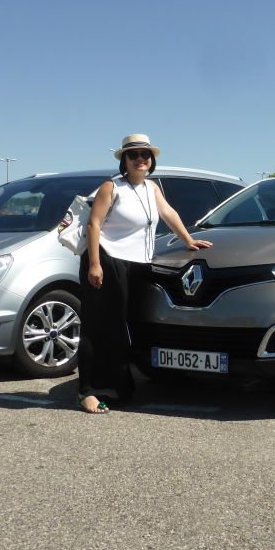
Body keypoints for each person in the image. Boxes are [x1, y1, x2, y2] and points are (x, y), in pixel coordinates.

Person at [76, 134, 212, 414]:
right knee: (99, 327)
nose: (141, 159)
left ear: (152, 161)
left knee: (123, 329)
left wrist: (187, 239)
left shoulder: (152, 188)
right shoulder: (111, 187)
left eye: (145, 155)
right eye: (134, 154)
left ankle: (117, 388)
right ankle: (87, 391)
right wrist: (94, 264)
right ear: (124, 160)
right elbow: (94, 225)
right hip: (107, 260)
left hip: (138, 264)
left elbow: (168, 213)